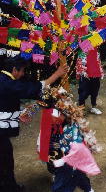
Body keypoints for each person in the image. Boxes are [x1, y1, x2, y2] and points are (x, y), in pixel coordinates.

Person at [0, 57, 67, 192]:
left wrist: (19, 114)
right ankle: (9, 187)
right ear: (14, 70)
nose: (23, 74)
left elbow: (6, 101)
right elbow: (32, 89)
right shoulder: (8, 84)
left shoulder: (3, 79)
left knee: (5, 156)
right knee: (5, 160)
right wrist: (57, 74)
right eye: (22, 71)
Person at [76, 48, 103, 115]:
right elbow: (79, 64)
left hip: (96, 74)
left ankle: (93, 106)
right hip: (86, 75)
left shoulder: (96, 51)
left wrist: (101, 72)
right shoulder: (82, 52)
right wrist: (83, 73)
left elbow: (99, 62)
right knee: (83, 92)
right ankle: (81, 108)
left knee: (95, 91)